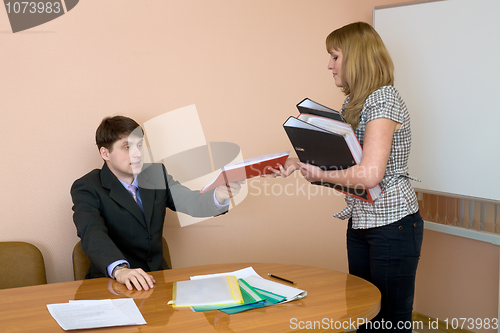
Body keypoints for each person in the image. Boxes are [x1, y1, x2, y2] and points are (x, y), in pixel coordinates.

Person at [270, 22, 423, 332]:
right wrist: (301, 164)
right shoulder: (354, 103)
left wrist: (319, 171)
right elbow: (347, 167)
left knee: (389, 321)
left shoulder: (383, 100)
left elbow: (368, 174)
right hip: (363, 220)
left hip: (392, 224)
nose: (329, 65)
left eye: (335, 56)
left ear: (356, 58)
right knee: (364, 312)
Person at [71, 116, 242, 291]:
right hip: (113, 284)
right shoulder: (88, 186)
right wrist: (120, 270)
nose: (137, 153)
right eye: (127, 147)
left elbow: (189, 200)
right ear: (105, 153)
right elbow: (92, 232)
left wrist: (219, 196)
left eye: (139, 145)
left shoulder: (156, 174)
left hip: (157, 280)